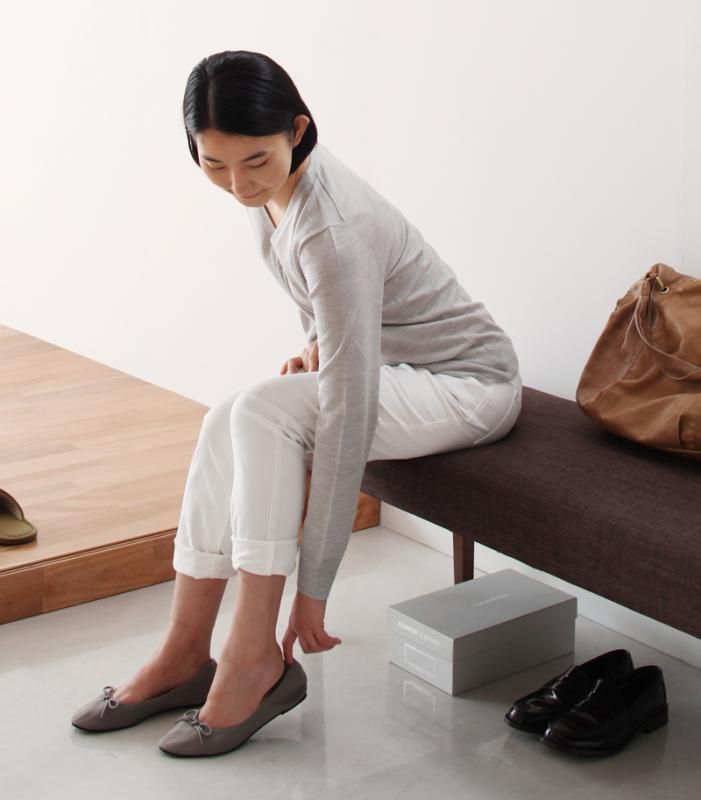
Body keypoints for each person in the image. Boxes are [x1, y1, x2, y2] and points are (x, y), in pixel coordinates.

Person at [72, 49, 522, 752]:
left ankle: (254, 658)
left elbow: (348, 416)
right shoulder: (272, 193)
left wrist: (315, 587)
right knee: (226, 414)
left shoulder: (332, 228)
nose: (238, 183)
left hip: (469, 386)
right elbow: (335, 304)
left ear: (297, 130)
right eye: (214, 164)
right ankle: (185, 650)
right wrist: (320, 343)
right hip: (399, 365)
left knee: (261, 412)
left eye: (254, 160)